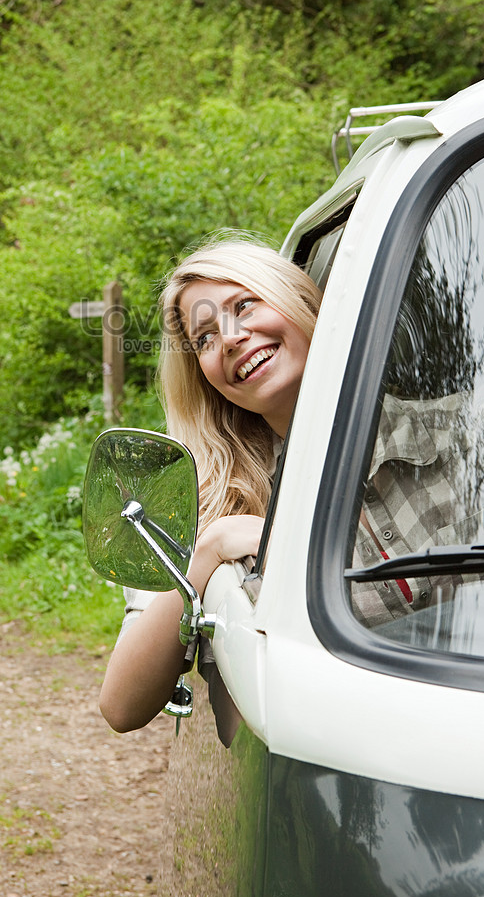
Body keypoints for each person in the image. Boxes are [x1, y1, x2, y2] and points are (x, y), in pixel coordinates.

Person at [98, 235, 321, 733]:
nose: (230, 337)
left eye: (244, 305)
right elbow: (121, 705)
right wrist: (210, 549)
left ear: (300, 300)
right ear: (201, 374)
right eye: (203, 339)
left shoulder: (450, 432)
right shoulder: (201, 497)